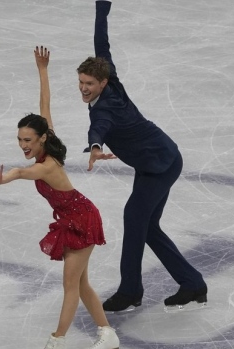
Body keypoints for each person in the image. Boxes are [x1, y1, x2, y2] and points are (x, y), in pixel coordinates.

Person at [0, 46, 120, 349]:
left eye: (27, 140)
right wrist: (43, 70)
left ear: (41, 138)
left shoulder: (46, 166)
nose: (23, 145)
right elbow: (45, 103)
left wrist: (0, 179)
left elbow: (19, 173)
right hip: (73, 216)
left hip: (82, 218)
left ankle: (57, 340)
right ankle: (107, 334)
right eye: (19, 139)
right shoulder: (49, 137)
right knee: (81, 284)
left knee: (71, 285)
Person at [76, 0, 208, 313]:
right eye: (81, 82)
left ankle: (130, 290)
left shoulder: (105, 109)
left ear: (102, 83)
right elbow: (101, 44)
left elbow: (99, 127)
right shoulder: (111, 79)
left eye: (89, 84)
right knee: (147, 226)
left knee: (135, 218)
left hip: (160, 165)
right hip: (157, 158)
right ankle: (191, 283)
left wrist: (95, 147)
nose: (83, 89)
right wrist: (102, 8)